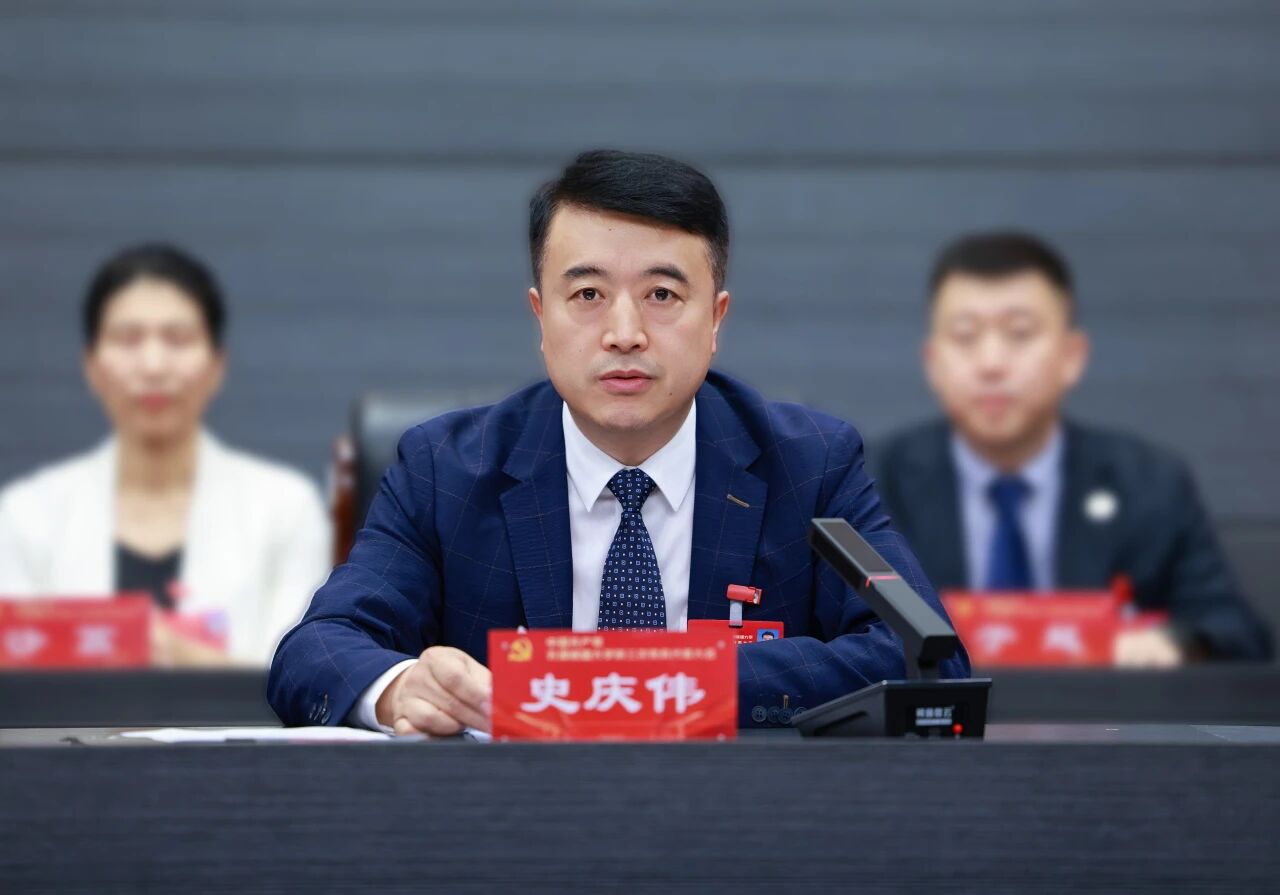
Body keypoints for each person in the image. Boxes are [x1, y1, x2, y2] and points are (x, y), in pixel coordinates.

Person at [269, 149, 969, 732]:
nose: (625, 333)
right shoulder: (443, 470)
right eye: (588, 295)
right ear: (540, 317)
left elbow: (927, 660)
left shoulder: (810, 464)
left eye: (662, 295)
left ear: (716, 319)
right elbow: (317, 650)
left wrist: (661, 678)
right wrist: (398, 690)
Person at [872, 231, 1272, 665]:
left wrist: (1172, 645)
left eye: (1019, 333)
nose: (991, 363)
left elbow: (1235, 632)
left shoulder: (1148, 483)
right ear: (932, 362)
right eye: (965, 335)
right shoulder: (874, 484)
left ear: (1072, 356)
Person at [0, 244, 331, 666]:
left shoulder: (286, 508)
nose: (153, 365)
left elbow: (301, 676)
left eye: (178, 339)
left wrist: (167, 653)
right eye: (128, 339)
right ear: (92, 365)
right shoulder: (27, 513)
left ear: (217, 364)